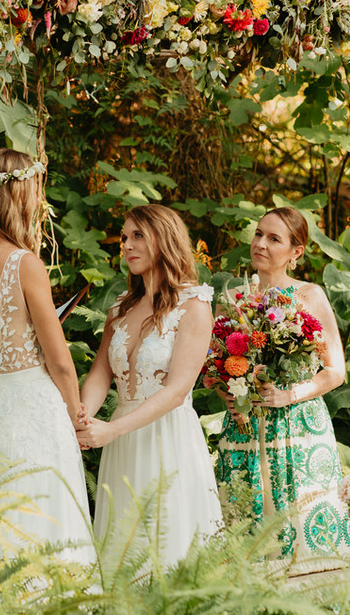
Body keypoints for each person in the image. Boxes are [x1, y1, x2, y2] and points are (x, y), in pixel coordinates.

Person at [0, 148, 94, 562]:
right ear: (20, 197)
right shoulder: (24, 263)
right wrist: (75, 412)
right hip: (34, 407)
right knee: (45, 517)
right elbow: (59, 360)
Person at [77, 204, 222, 567]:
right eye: (125, 237)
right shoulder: (120, 309)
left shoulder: (194, 304)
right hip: (121, 442)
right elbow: (99, 375)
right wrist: (79, 418)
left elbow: (177, 391)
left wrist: (110, 429)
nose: (126, 245)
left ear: (165, 239)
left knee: (167, 545)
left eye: (138, 235)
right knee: (124, 550)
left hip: (167, 438)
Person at [215, 206, 350, 573]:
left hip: (299, 428)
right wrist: (228, 394)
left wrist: (289, 394)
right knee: (245, 526)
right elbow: (213, 368)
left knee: (304, 525)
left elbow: (335, 371)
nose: (260, 243)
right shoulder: (232, 301)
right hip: (244, 428)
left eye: (274, 238)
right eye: (259, 234)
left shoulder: (309, 295)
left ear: (296, 252)